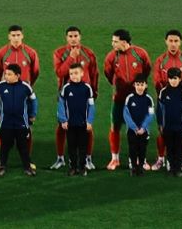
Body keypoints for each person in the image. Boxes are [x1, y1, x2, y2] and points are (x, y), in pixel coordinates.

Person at [49, 27, 100, 172]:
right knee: (62, 126)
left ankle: (87, 159)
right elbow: (60, 73)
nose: (73, 38)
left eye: (75, 36)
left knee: (87, 127)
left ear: (80, 37)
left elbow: (94, 73)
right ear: (66, 38)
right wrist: (71, 57)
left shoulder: (88, 53)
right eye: (70, 36)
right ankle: (60, 158)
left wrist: (94, 91)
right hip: (67, 96)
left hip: (85, 95)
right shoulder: (59, 53)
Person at [104, 29, 151, 171]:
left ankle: (140, 159)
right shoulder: (111, 57)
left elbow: (147, 70)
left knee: (140, 129)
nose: (112, 44)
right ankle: (115, 159)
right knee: (115, 127)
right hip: (119, 98)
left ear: (124, 42)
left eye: (115, 41)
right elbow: (108, 74)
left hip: (138, 100)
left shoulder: (140, 53)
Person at [152, 29, 182, 172]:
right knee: (163, 132)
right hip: (165, 99)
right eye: (170, 41)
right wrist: (166, 93)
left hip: (181, 100)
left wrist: (180, 93)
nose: (173, 44)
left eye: (176, 41)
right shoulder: (160, 61)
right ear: (166, 41)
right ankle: (161, 159)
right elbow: (157, 81)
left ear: (180, 42)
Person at [0, 63, 37, 175]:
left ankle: (27, 167)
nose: (6, 76)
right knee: (4, 147)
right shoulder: (0, 86)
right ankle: (1, 166)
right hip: (6, 123)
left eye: (9, 74)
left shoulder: (25, 87)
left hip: (21, 123)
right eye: (5, 74)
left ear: (17, 75)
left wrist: (32, 114)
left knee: (23, 147)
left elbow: (33, 101)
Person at [56, 62, 95, 176]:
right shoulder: (66, 88)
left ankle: (82, 167)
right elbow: (61, 105)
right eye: (71, 73)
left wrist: (89, 121)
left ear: (82, 73)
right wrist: (63, 120)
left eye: (76, 73)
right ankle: (73, 167)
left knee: (83, 146)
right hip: (70, 124)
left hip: (83, 124)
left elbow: (91, 106)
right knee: (71, 146)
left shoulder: (87, 88)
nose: (73, 76)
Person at [156, 68, 182, 177]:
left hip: (180, 127)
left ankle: (178, 167)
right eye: (171, 78)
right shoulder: (163, 92)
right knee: (169, 147)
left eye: (175, 78)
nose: (173, 81)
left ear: (180, 79)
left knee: (179, 147)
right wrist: (161, 124)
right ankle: (171, 166)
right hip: (167, 126)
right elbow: (160, 110)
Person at [123, 75, 154, 175]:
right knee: (132, 148)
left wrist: (143, 127)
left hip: (144, 131)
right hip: (132, 130)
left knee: (142, 149)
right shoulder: (129, 98)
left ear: (146, 85)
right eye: (138, 85)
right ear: (134, 85)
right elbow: (126, 114)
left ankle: (140, 167)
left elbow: (151, 114)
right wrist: (134, 127)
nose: (140, 87)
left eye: (142, 85)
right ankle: (133, 167)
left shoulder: (149, 99)